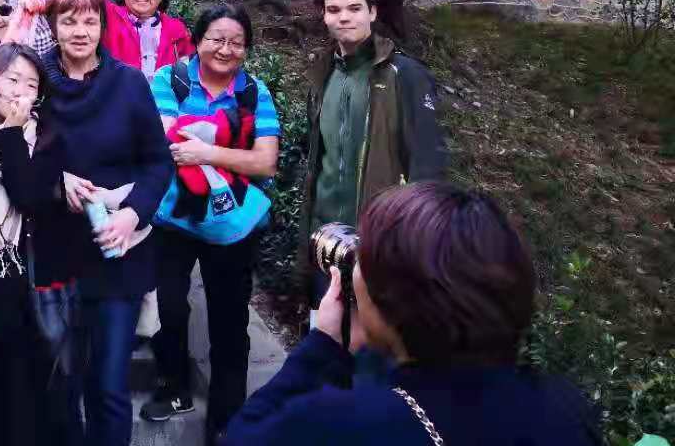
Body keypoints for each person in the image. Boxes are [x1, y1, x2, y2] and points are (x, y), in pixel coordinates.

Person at [225, 183, 602, 445]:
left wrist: (322, 347)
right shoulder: (565, 408)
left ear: (391, 308)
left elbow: (242, 437)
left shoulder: (337, 424)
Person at [42, 0, 173, 446]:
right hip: (55, 255)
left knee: (109, 386)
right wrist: (56, 182)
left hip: (118, 253)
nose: (80, 31)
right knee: (59, 385)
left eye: (90, 20)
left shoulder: (128, 83)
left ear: (103, 25)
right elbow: (15, 155)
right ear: (53, 26)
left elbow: (158, 162)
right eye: (69, 21)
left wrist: (133, 214)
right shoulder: (36, 82)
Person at [140, 4, 280, 439]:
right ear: (198, 41)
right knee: (168, 309)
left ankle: (226, 418)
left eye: (236, 42)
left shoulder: (254, 92)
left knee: (229, 321)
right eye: (217, 39)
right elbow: (166, 140)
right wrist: (231, 151)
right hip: (173, 216)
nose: (225, 49)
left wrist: (206, 151)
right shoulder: (170, 79)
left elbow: (266, 161)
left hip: (232, 223)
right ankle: (174, 385)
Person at [0, 44, 85, 445]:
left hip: (21, 302)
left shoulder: (46, 140)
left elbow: (29, 197)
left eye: (31, 84)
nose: (20, 90)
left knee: (25, 417)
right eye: (12, 79)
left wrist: (10, 133)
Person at [300, 0, 447, 315]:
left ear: (373, 12)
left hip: (379, 246)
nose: (344, 17)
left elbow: (428, 168)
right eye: (334, 9)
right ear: (323, 15)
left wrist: (411, 247)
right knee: (325, 340)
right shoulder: (322, 74)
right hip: (324, 242)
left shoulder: (405, 75)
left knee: (369, 346)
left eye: (355, 8)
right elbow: (317, 159)